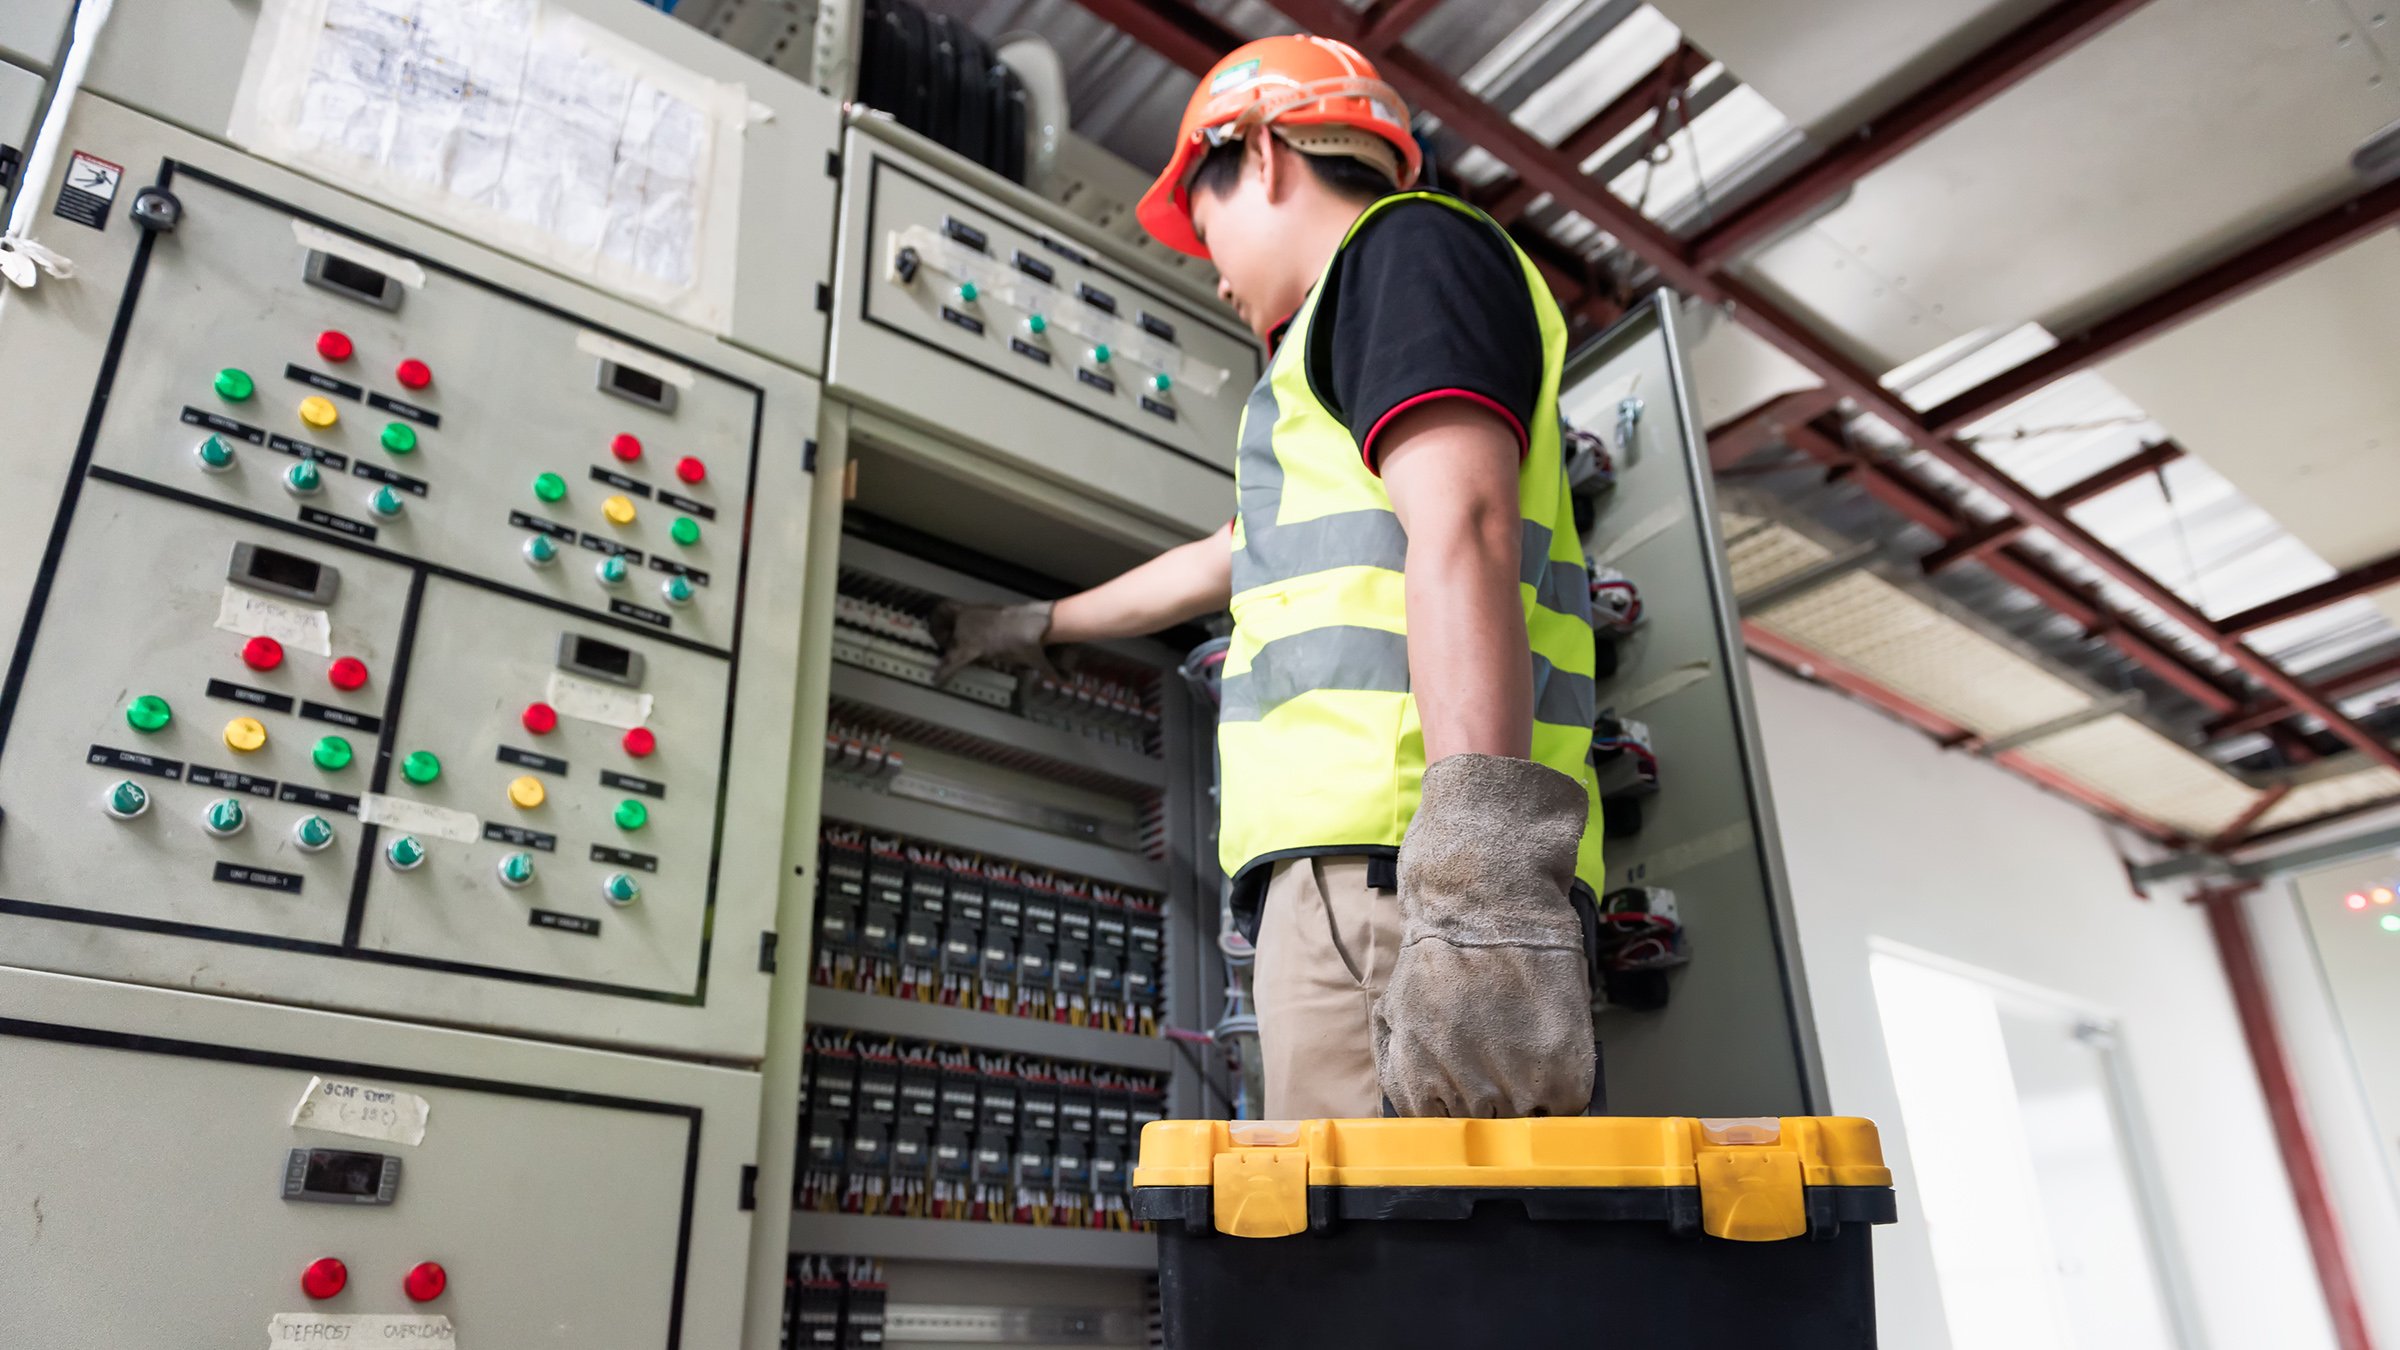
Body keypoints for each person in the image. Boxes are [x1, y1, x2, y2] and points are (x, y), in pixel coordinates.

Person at [933, 34, 1604, 1120]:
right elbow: (1230, 556)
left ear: (1264, 155)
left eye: (1207, 232)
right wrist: (1039, 622)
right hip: (1374, 879)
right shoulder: (1338, 346)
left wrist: (1478, 885)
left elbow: (1466, 527)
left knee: (1378, 1266)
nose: (1216, 270)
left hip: (1406, 870)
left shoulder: (1406, 251)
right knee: (1376, 1260)